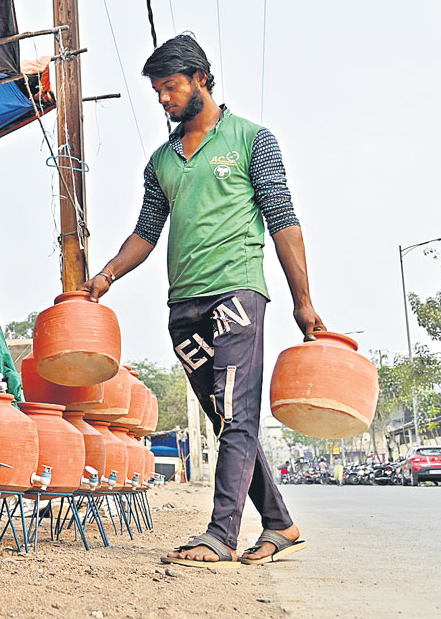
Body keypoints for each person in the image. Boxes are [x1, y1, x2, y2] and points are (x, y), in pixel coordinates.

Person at [83, 34, 320, 570]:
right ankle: (280, 523)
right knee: (223, 415)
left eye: (171, 87)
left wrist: (302, 301)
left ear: (201, 81)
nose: (164, 100)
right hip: (183, 306)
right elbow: (146, 231)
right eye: (157, 91)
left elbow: (283, 221)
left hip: (237, 292)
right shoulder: (161, 161)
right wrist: (107, 275)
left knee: (237, 410)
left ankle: (221, 534)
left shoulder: (252, 139)